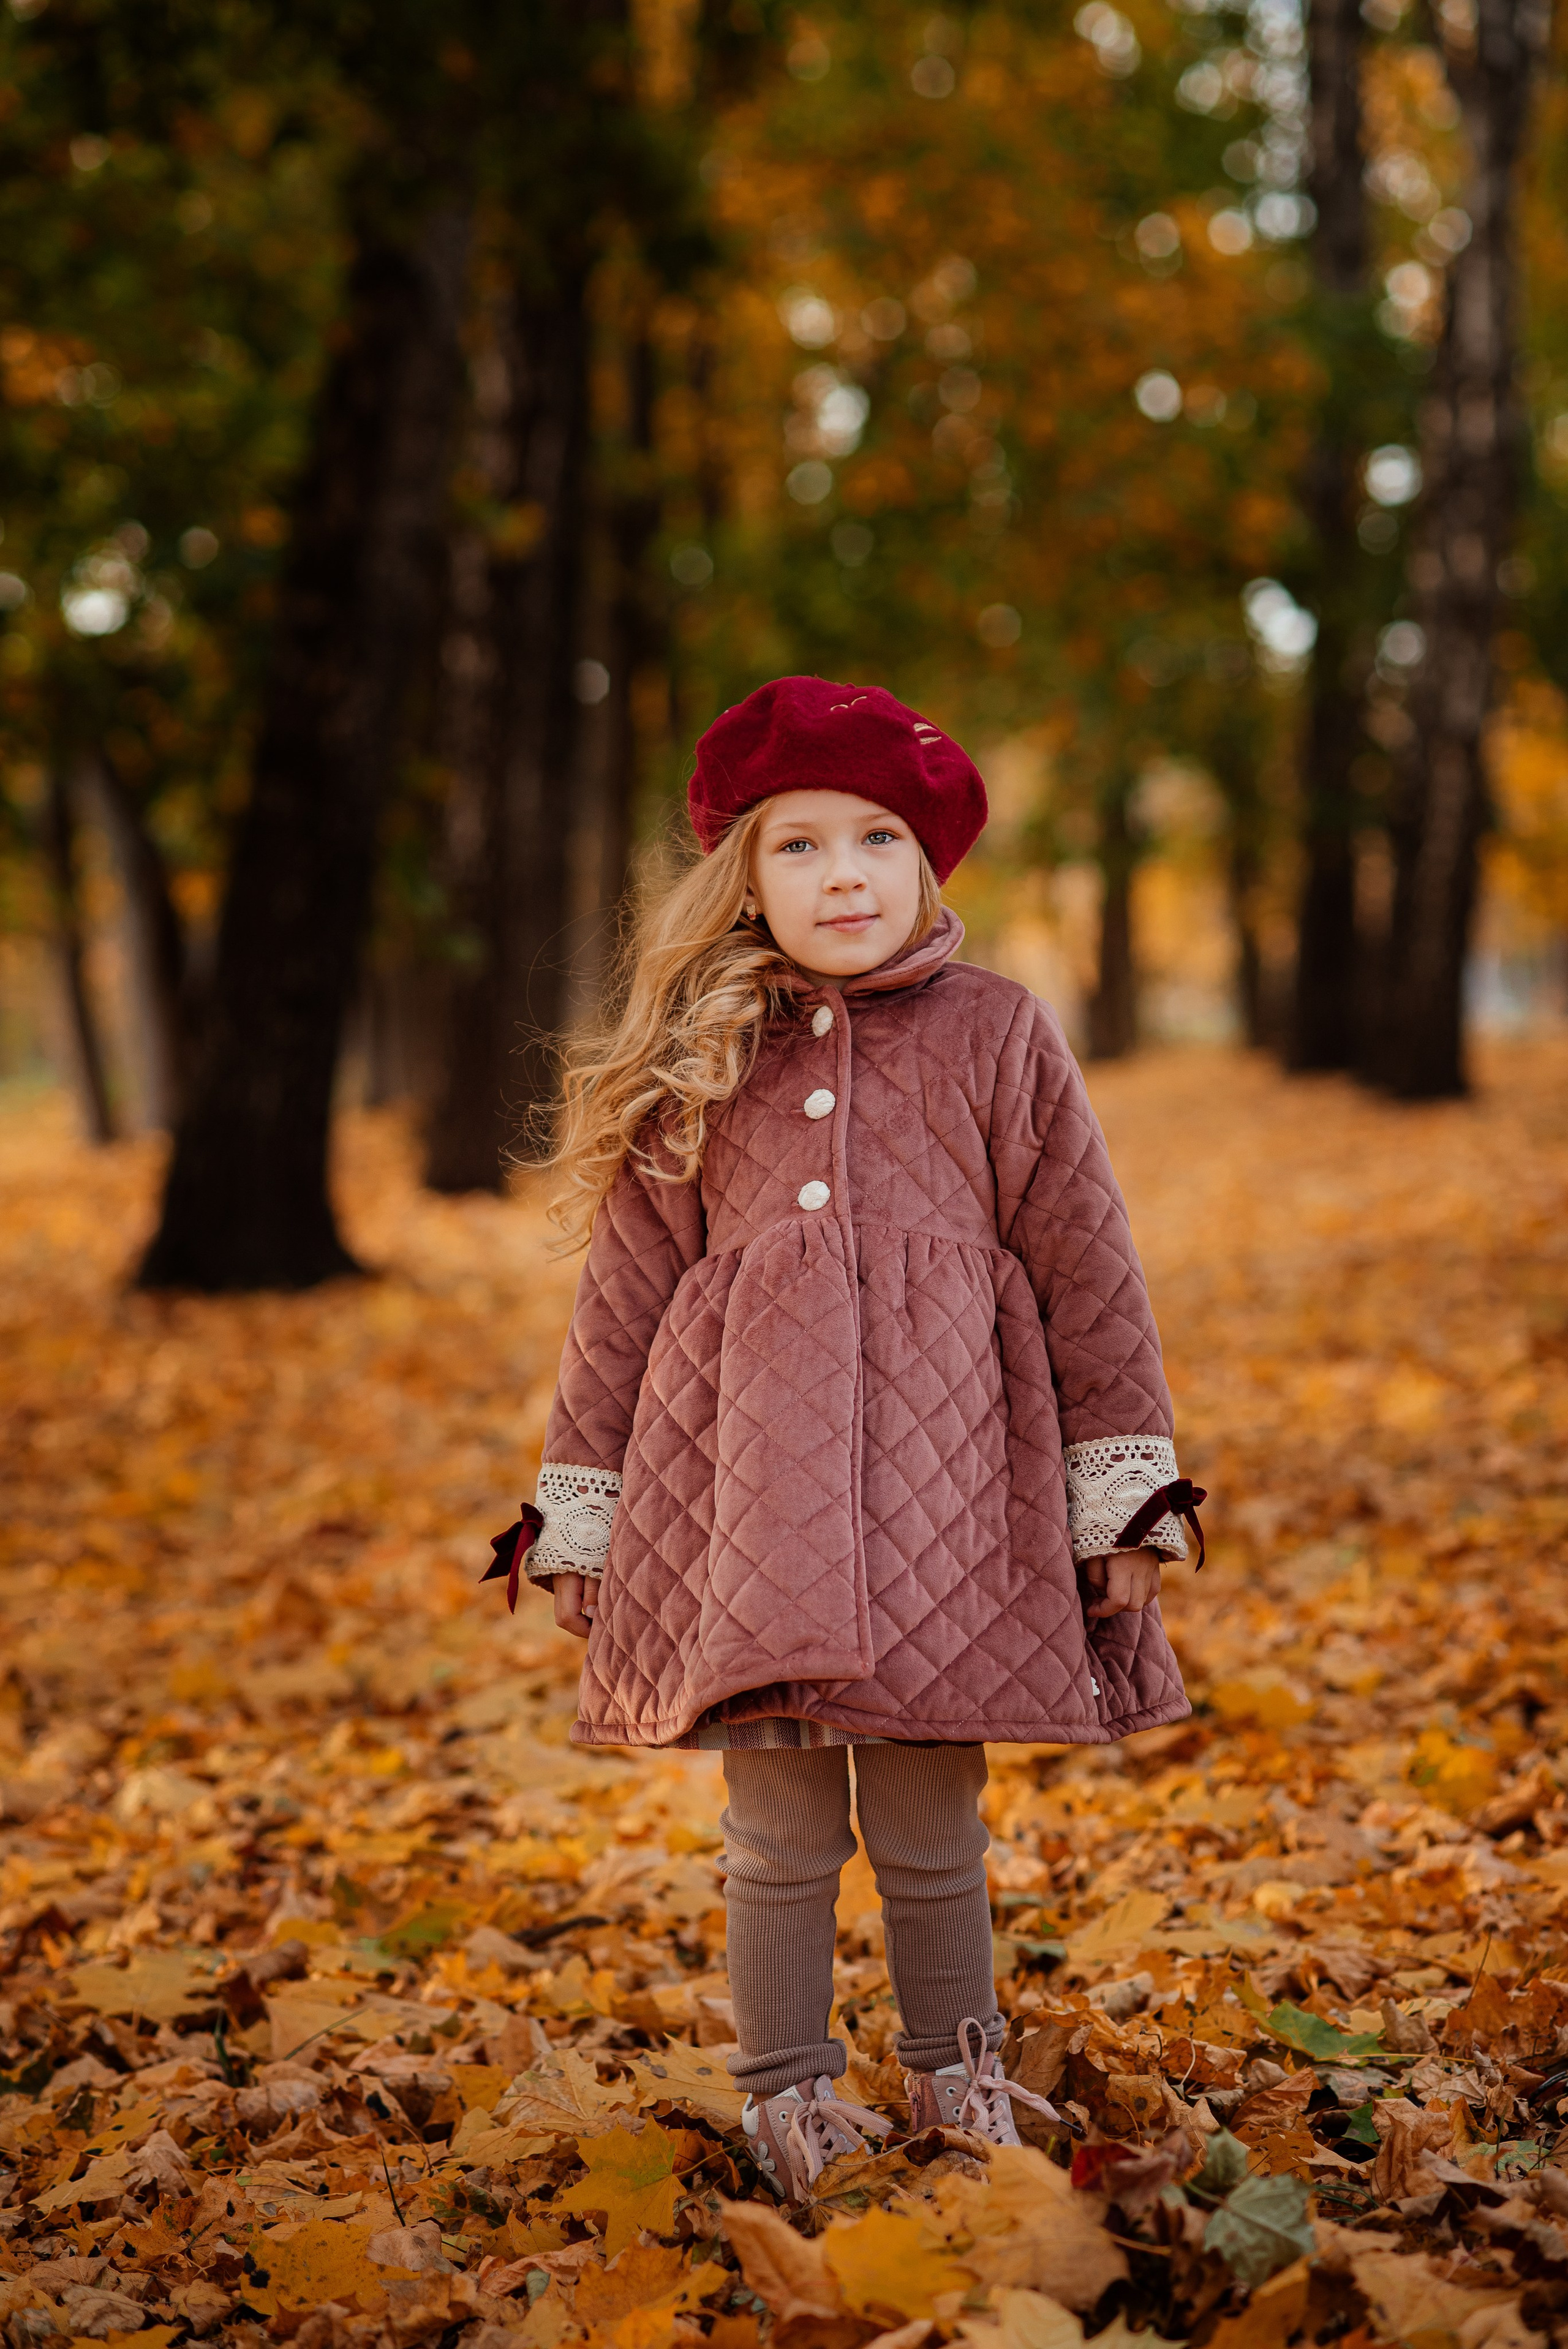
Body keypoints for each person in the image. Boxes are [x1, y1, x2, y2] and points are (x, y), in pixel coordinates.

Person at [511, 676, 1200, 2201]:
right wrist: (584, 1510)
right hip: (739, 1493)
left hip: (953, 1495)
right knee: (772, 1825)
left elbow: (1090, 1271)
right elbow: (621, 1302)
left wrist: (1123, 1499)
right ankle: (786, 2092)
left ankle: (958, 2073)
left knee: (928, 1814)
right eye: (800, 844)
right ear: (740, 877)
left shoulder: (999, 1035)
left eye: (876, 839)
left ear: (926, 861)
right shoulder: (705, 1050)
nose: (841, 875)